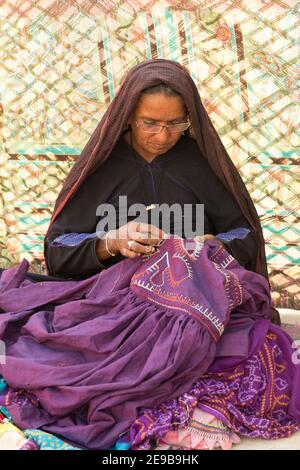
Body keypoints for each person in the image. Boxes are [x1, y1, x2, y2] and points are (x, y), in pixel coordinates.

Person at [0, 60, 298, 451]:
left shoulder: (200, 162)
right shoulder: (103, 166)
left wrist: (209, 245)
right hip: (117, 303)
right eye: (149, 123)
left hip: (193, 302)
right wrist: (111, 243)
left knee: (265, 344)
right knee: (66, 357)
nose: (162, 135)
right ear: (128, 116)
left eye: (176, 123)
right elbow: (59, 250)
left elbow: (244, 234)